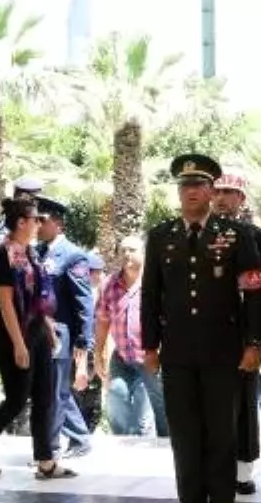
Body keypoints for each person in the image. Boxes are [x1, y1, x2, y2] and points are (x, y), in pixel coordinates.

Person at [142, 154, 261, 503]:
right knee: (184, 429)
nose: (191, 192)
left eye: (198, 185)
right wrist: (150, 346)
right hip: (177, 349)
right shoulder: (161, 236)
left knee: (221, 429)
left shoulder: (236, 234)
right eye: (185, 186)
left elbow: (253, 293)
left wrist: (253, 342)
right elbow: (151, 294)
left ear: (212, 191)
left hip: (222, 348)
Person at [0, 198, 75, 481]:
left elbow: (38, 299)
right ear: (21, 222)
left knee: (44, 397)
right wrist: (19, 343)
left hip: (36, 333)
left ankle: (46, 461)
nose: (39, 224)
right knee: (16, 399)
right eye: (35, 219)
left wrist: (46, 328)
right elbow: (6, 302)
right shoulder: (4, 257)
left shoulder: (31, 254)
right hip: (12, 335)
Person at [212, 169, 261, 494]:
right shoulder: (196, 233)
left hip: (241, 333)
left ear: (241, 199)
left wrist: (256, 339)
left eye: (229, 192)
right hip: (207, 335)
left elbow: (259, 293)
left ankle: (243, 469)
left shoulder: (258, 238)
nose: (221, 198)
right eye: (217, 191)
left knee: (243, 402)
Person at [34, 196, 95, 459]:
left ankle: (51, 450)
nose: (37, 225)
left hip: (60, 333)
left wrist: (85, 342)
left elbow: (84, 302)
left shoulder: (72, 255)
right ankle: (80, 437)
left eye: (42, 220)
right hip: (39, 332)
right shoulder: (36, 252)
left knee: (54, 393)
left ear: (58, 223)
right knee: (52, 390)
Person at [95, 235, 168, 438]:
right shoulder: (109, 284)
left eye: (132, 250)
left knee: (157, 409)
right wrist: (98, 351)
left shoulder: (157, 283)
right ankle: (123, 442)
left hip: (151, 357)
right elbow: (102, 320)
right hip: (122, 358)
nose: (127, 254)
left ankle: (167, 447)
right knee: (116, 397)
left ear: (144, 253)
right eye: (123, 250)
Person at [71, 251, 106, 434]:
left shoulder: (102, 293)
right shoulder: (77, 292)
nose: (96, 275)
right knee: (75, 393)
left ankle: (87, 431)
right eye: (92, 271)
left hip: (95, 351)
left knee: (92, 397)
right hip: (78, 349)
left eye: (99, 271)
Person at [0, 176, 43, 244]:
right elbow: (2, 243)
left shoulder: (32, 217)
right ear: (23, 196)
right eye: (33, 198)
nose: (36, 202)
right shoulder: (11, 217)